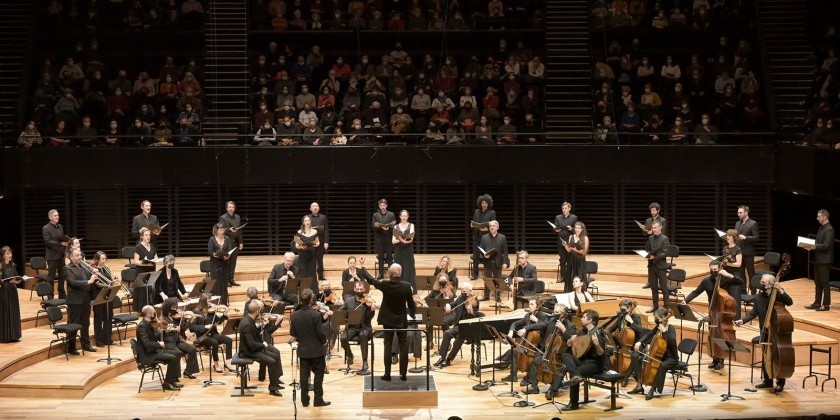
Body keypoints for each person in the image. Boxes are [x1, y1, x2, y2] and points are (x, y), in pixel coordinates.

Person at [734, 274, 794, 393]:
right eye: (761, 282)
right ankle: (767, 381)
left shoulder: (778, 295)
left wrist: (781, 289)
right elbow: (753, 314)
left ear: (772, 284)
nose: (761, 284)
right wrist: (742, 320)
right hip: (765, 330)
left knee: (778, 355)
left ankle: (780, 382)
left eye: (764, 283)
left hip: (778, 331)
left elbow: (790, 302)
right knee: (766, 355)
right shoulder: (758, 297)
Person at [681, 261, 743, 370]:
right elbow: (696, 292)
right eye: (712, 269)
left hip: (724, 310)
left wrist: (728, 275)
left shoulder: (725, 279)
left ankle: (721, 360)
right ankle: (715, 359)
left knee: (721, 336)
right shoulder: (706, 281)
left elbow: (740, 282)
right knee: (713, 335)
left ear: (720, 269)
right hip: (713, 311)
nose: (713, 271)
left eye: (716, 269)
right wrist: (686, 301)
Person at [362, 264, 416, 381]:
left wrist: (363, 267)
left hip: (387, 319)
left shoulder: (385, 284)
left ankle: (387, 374)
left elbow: (371, 280)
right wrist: (412, 317)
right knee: (403, 346)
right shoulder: (407, 286)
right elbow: (411, 304)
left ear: (390, 274)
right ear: (400, 273)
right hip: (401, 319)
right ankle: (403, 375)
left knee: (387, 345)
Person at [522, 302, 576, 399]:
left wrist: (563, 329)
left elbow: (571, 342)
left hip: (562, 354)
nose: (555, 314)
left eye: (557, 313)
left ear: (564, 313)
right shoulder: (551, 320)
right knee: (535, 360)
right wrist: (526, 328)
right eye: (554, 312)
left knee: (562, 368)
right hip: (548, 350)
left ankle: (553, 389)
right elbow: (541, 325)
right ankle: (534, 386)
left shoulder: (570, 325)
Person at [290, 289, 331, 406]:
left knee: (304, 375)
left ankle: (304, 400)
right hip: (316, 350)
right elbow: (320, 333)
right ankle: (318, 399)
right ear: (311, 300)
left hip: (303, 350)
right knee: (319, 374)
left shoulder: (294, 315)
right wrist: (324, 341)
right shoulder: (316, 315)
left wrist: (302, 339)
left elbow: (293, 332)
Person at [627, 308, 679, 400]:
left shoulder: (670, 328)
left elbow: (673, 342)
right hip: (661, 355)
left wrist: (665, 332)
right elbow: (648, 335)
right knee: (639, 359)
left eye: (657, 318)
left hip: (671, 358)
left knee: (662, 366)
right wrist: (639, 342)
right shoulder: (659, 326)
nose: (656, 319)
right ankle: (639, 385)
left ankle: (653, 388)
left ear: (663, 317)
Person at [562, 310, 608, 411]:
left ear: (590, 320)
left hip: (595, 363)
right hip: (583, 361)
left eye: (584, 317)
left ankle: (573, 404)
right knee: (565, 355)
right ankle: (576, 376)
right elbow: (569, 345)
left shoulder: (598, 333)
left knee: (574, 373)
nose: (581, 318)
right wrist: (571, 340)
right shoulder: (582, 331)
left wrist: (596, 344)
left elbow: (601, 353)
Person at [239, 300, 283, 396]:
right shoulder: (247, 324)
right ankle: (272, 389)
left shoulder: (249, 319)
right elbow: (250, 344)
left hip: (254, 349)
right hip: (248, 352)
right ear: (257, 311)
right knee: (271, 361)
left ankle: (274, 383)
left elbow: (255, 337)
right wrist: (263, 345)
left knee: (275, 356)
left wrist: (262, 341)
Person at [136, 305, 183, 391]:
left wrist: (166, 331)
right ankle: (167, 383)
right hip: (148, 355)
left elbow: (156, 337)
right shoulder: (142, 326)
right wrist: (159, 345)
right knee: (173, 358)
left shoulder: (148, 324)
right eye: (154, 312)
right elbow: (146, 343)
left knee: (177, 353)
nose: (155, 313)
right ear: (150, 314)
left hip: (153, 351)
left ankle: (171, 380)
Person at [434, 283, 479, 368]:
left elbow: (475, 316)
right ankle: (443, 357)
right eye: (462, 291)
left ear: (470, 291)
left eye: (465, 291)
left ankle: (449, 359)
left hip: (468, 327)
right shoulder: (460, 298)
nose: (463, 293)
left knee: (459, 339)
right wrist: (448, 306)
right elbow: (453, 304)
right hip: (458, 326)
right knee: (447, 333)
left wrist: (470, 311)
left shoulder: (474, 301)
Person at [339, 281, 379, 372]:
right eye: (357, 289)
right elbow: (340, 312)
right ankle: (349, 355)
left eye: (361, 289)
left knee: (363, 335)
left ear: (364, 290)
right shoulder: (349, 301)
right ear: (354, 289)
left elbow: (369, 318)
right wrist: (346, 317)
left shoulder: (367, 301)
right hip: (352, 327)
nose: (359, 291)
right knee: (343, 338)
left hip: (364, 327)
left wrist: (371, 309)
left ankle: (365, 361)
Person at [63, 248, 97, 354]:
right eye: (77, 255)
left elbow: (91, 280)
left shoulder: (84, 267)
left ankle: (86, 345)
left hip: (86, 298)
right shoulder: (67, 268)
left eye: (80, 255)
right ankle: (71, 347)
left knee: (85, 323)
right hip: (75, 300)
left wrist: (94, 272)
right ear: (71, 257)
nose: (79, 257)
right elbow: (73, 282)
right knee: (73, 324)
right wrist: (89, 281)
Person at [191, 293, 235, 373]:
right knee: (214, 342)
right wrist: (204, 327)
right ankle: (216, 363)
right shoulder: (196, 312)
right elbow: (192, 328)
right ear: (203, 301)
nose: (210, 303)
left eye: (210, 301)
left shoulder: (211, 310)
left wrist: (224, 314)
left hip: (213, 334)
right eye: (208, 301)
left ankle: (228, 362)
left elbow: (218, 322)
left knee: (229, 340)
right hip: (202, 337)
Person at [159, 298, 200, 380]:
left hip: (177, 340)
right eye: (173, 307)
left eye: (176, 307)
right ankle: (174, 376)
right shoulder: (162, 318)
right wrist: (169, 330)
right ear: (167, 307)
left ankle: (188, 372)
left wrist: (190, 320)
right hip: (168, 342)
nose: (176, 309)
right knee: (178, 353)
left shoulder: (175, 317)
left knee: (192, 349)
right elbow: (160, 333)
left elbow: (183, 328)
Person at [803, 209, 834, 311]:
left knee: (824, 282)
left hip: (825, 260)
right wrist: (810, 246)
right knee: (817, 281)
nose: (817, 218)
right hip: (819, 259)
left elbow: (826, 245)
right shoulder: (821, 228)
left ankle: (826, 305)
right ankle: (817, 303)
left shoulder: (829, 229)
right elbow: (818, 242)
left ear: (824, 217)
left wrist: (814, 246)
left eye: (819, 217)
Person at [90, 251, 119, 347]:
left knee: (108, 318)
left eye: (105, 259)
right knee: (98, 319)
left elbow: (110, 280)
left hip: (108, 296)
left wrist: (114, 281)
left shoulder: (106, 269)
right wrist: (108, 285)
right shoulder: (93, 270)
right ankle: (99, 341)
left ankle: (107, 339)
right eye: (102, 259)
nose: (104, 260)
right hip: (98, 297)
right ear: (97, 260)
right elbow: (97, 283)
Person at [479, 220, 510, 301]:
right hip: (488, 262)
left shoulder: (502, 237)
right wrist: (484, 255)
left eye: (493, 226)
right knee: (487, 280)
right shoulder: (484, 237)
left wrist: (505, 262)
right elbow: (481, 250)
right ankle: (486, 296)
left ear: (497, 227)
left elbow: (505, 251)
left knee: (497, 280)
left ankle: (497, 296)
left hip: (498, 262)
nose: (491, 227)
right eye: (490, 226)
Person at [644, 221, 670, 312]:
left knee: (664, 287)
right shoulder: (650, 238)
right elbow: (647, 249)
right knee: (653, 287)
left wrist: (655, 257)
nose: (653, 230)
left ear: (660, 228)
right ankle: (655, 306)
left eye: (655, 228)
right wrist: (647, 254)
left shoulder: (665, 238)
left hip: (660, 266)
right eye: (653, 228)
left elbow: (666, 253)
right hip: (652, 266)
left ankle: (666, 307)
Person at [42, 209, 69, 299]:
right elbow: (47, 242)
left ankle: (61, 294)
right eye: (55, 215)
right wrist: (60, 244)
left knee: (62, 276)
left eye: (57, 215)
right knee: (51, 277)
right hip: (52, 256)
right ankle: (50, 296)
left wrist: (67, 241)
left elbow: (61, 237)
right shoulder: (46, 228)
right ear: (50, 217)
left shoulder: (60, 226)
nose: (57, 217)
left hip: (61, 254)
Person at [470, 194, 496, 280]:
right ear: (480, 203)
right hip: (477, 237)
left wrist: (487, 229)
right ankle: (475, 274)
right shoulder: (476, 212)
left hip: (487, 238)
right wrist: (473, 225)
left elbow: (493, 225)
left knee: (487, 255)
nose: (484, 204)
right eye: (482, 203)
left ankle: (488, 273)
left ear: (488, 204)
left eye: (485, 203)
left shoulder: (492, 213)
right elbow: (474, 222)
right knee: (476, 256)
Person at [207, 223, 234, 305]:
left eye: (223, 229)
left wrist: (228, 256)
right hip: (215, 264)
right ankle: (216, 303)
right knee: (216, 283)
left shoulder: (227, 239)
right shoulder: (212, 239)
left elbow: (229, 249)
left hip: (225, 263)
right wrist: (215, 254)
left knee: (224, 283)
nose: (222, 231)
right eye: (220, 230)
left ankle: (224, 303)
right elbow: (209, 251)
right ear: (216, 230)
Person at [553, 202, 578, 290]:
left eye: (566, 208)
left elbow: (577, 229)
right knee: (562, 260)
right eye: (563, 208)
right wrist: (556, 230)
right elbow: (555, 228)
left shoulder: (574, 217)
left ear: (569, 209)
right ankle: (563, 276)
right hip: (561, 242)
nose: (564, 210)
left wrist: (571, 228)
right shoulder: (558, 217)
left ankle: (571, 277)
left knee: (570, 259)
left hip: (570, 242)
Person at [219, 201, 244, 287]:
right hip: (226, 243)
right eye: (229, 207)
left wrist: (240, 242)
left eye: (232, 207)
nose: (231, 209)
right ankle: (226, 281)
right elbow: (220, 230)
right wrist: (229, 229)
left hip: (235, 243)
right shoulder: (223, 218)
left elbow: (239, 230)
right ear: (226, 208)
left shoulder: (237, 217)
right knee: (227, 262)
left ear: (234, 208)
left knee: (233, 262)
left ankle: (231, 279)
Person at [132, 227, 158, 310]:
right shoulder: (138, 247)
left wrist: (154, 261)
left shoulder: (152, 246)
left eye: (149, 235)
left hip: (151, 271)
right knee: (143, 292)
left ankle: (151, 309)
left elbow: (156, 257)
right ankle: (142, 310)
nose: (148, 236)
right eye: (146, 235)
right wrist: (146, 264)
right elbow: (136, 261)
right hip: (142, 272)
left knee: (151, 290)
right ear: (142, 237)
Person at [0, 246, 22, 343]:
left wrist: (17, 281)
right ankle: (6, 336)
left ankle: (14, 335)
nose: (10, 255)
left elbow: (16, 276)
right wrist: (7, 282)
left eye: (10, 253)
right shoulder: (0, 266)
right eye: (7, 254)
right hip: (5, 291)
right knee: (6, 311)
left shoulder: (12, 265)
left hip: (13, 290)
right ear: (3, 255)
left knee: (13, 311)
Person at [734, 205, 759, 293]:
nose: (739, 214)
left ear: (746, 213)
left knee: (751, 273)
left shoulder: (753, 223)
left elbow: (756, 237)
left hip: (748, 252)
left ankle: (753, 293)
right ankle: (743, 292)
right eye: (738, 212)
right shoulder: (737, 223)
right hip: (739, 252)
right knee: (741, 274)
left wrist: (746, 237)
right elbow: (736, 235)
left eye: (740, 213)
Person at [295, 215, 320, 294]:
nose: (307, 222)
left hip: (312, 256)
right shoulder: (299, 232)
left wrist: (316, 244)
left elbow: (318, 242)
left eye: (308, 220)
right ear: (303, 222)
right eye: (305, 221)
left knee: (312, 274)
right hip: (303, 256)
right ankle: (301, 294)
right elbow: (296, 244)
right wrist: (300, 247)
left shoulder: (314, 231)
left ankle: (313, 294)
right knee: (302, 274)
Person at [391, 210, 416, 291]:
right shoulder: (396, 227)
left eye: (405, 216)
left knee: (408, 267)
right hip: (398, 250)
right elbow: (393, 241)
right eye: (403, 216)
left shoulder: (411, 225)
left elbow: (411, 239)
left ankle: (410, 288)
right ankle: (399, 287)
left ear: (408, 217)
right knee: (399, 267)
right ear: (400, 217)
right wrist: (401, 240)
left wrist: (404, 240)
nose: (404, 217)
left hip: (408, 249)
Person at [371, 199, 396, 277]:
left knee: (389, 257)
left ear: (386, 206)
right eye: (381, 205)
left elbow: (394, 225)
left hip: (388, 238)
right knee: (380, 257)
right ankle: (381, 274)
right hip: (379, 239)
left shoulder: (391, 214)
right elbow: (373, 226)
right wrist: (380, 227)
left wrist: (388, 227)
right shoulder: (375, 215)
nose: (382, 207)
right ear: (379, 206)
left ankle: (391, 274)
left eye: (384, 205)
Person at [307, 202, 329, 281]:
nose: (315, 207)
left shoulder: (323, 217)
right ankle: (311, 275)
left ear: (319, 208)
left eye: (317, 206)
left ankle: (320, 275)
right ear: (310, 208)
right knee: (311, 258)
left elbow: (326, 230)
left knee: (320, 259)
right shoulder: (307, 218)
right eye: (313, 206)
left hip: (321, 241)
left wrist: (326, 242)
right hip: (311, 242)